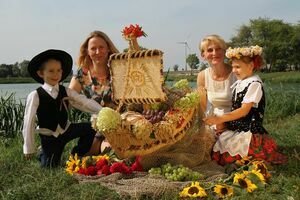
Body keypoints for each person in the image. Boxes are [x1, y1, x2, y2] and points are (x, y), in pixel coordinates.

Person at [203, 45, 288, 165]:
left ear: (251, 65)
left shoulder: (254, 84)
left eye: (238, 67)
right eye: (232, 67)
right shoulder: (240, 83)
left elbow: (243, 111)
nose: (234, 70)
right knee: (220, 143)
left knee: (237, 153)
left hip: (249, 130)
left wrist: (220, 118)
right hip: (236, 128)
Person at [23, 49, 102, 168]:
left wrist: (102, 110)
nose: (56, 74)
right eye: (51, 71)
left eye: (59, 70)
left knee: (91, 127)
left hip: (66, 129)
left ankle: (77, 154)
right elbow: (29, 121)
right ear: (40, 73)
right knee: (50, 167)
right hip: (50, 136)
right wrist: (28, 148)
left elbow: (83, 102)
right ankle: (43, 154)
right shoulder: (35, 95)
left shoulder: (66, 91)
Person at [69, 31, 119, 154]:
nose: (98, 52)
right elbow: (68, 100)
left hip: (122, 123)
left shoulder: (119, 69)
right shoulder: (82, 74)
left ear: (108, 48)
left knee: (114, 152)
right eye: (93, 48)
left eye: (101, 47)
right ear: (87, 51)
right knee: (106, 153)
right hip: (98, 125)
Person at [197, 35, 237, 134]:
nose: (215, 53)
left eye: (218, 49)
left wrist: (224, 121)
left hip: (237, 123)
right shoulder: (202, 76)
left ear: (225, 52)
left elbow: (245, 108)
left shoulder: (236, 73)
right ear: (203, 55)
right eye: (210, 50)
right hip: (215, 123)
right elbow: (202, 107)